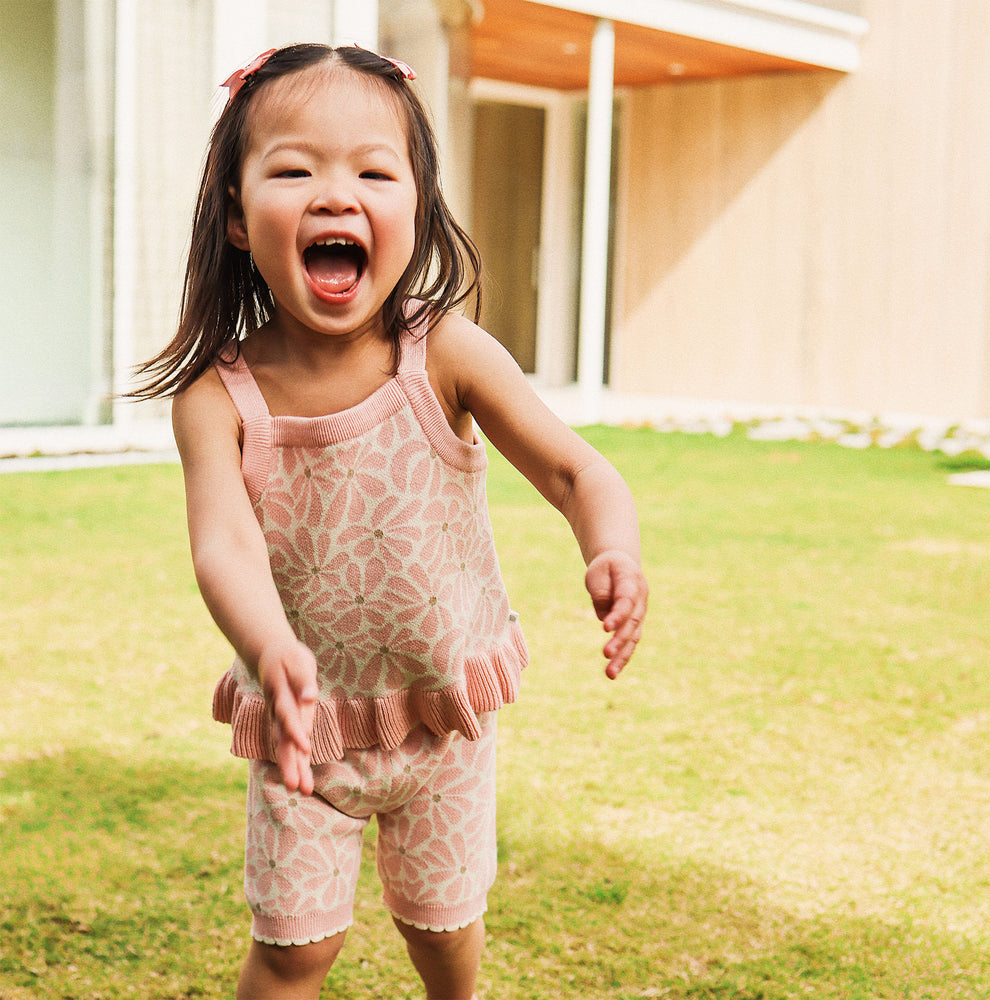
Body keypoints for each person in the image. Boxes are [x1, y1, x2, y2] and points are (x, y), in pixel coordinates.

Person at [133, 42, 647, 1000]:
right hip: (307, 727)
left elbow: (577, 471)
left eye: (374, 170)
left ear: (415, 210)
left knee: (444, 935)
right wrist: (269, 643)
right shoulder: (218, 396)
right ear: (240, 220)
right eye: (294, 169)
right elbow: (224, 542)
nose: (336, 194)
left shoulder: (444, 351)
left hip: (445, 718)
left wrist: (610, 544)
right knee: (294, 954)